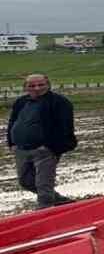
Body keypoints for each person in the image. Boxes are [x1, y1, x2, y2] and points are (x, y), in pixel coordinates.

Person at [7, 73, 76, 208]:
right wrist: (12, 143)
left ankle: (45, 213)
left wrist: (51, 147)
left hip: (45, 151)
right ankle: (61, 201)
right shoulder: (20, 102)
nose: (37, 88)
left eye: (41, 84)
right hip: (21, 149)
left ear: (48, 85)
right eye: (32, 85)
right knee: (25, 181)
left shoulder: (59, 102)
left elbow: (65, 127)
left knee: (43, 184)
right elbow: (13, 122)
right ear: (25, 87)